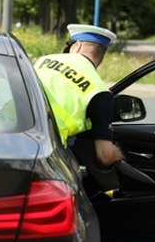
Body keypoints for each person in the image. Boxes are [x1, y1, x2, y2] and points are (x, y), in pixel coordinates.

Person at [34, 24, 124, 167]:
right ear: (102, 54)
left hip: (5, 129)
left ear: (77, 46)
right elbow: (105, 156)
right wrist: (117, 153)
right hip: (44, 147)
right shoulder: (99, 92)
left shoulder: (43, 60)